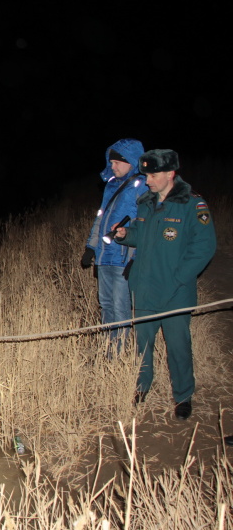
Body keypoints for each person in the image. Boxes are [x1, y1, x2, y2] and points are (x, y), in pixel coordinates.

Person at [114, 149, 216, 420]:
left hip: (175, 291)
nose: (148, 180)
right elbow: (142, 236)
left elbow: (204, 247)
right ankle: (140, 388)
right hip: (144, 287)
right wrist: (125, 235)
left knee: (178, 345)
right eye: (146, 174)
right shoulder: (146, 201)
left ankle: (183, 396)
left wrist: (179, 279)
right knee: (142, 344)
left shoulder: (192, 204)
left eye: (154, 175)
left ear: (171, 174)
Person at [81, 138, 147, 357]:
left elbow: (144, 226)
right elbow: (101, 218)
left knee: (120, 308)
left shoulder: (142, 186)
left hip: (122, 258)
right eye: (111, 162)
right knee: (106, 305)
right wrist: (91, 247)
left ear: (131, 161)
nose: (113, 166)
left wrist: (135, 258)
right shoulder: (111, 186)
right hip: (104, 256)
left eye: (118, 162)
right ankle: (107, 350)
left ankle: (118, 356)